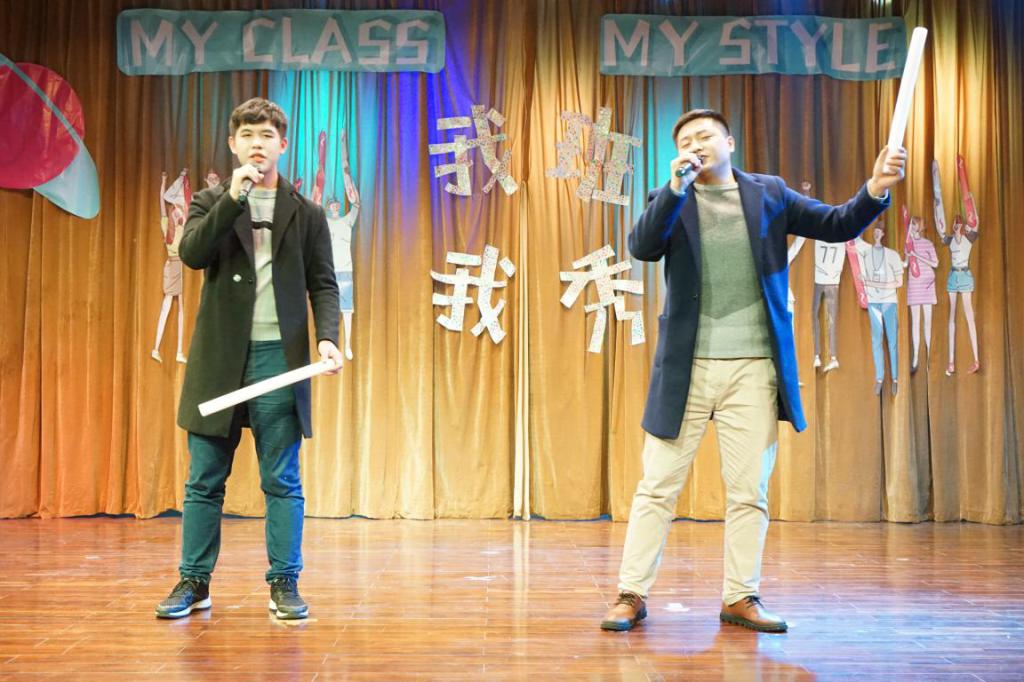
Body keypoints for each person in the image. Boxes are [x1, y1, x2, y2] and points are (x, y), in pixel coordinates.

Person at [601, 108, 904, 633]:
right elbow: (643, 247)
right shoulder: (669, 197)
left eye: (705, 136)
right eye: (686, 141)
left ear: (730, 143)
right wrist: (674, 189)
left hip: (753, 367)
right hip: (686, 369)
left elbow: (835, 224)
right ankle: (631, 594)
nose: (696, 145)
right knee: (657, 486)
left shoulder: (770, 193)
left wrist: (875, 187)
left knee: (748, 491)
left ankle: (740, 595)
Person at [155, 98, 342, 621]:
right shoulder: (210, 201)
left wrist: (327, 338)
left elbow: (324, 284)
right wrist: (233, 199)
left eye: (266, 135)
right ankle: (194, 582)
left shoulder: (306, 214)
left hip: (279, 362)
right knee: (204, 480)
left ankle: (284, 582)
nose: (257, 144)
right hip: (219, 360)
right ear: (233, 144)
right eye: (247, 135)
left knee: (281, 479)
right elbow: (192, 254)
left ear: (283, 144)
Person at [854, 222, 904, 396]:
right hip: (874, 302)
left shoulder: (892, 255)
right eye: (874, 231)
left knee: (892, 339)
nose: (876, 234)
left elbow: (899, 282)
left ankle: (895, 378)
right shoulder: (866, 253)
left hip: (889, 301)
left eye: (879, 231)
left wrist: (874, 283)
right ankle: (879, 378)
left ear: (883, 234)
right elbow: (855, 241)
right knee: (876, 339)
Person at [151, 170, 188, 364]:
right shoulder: (169, 227)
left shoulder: (179, 227)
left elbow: (187, 208)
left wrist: (178, 180)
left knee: (179, 306)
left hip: (177, 265)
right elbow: (161, 204)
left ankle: (176, 350)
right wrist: (164, 182)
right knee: (171, 305)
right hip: (174, 265)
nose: (177, 212)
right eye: (175, 210)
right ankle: (159, 348)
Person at [904, 215, 939, 373]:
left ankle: (929, 356)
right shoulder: (908, 244)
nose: (912, 227)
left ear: (919, 226)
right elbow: (906, 264)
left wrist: (916, 255)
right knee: (915, 322)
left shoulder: (928, 243)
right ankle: (916, 357)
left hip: (927, 284)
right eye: (910, 224)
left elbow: (935, 263)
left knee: (928, 322)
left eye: (914, 224)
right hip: (914, 285)